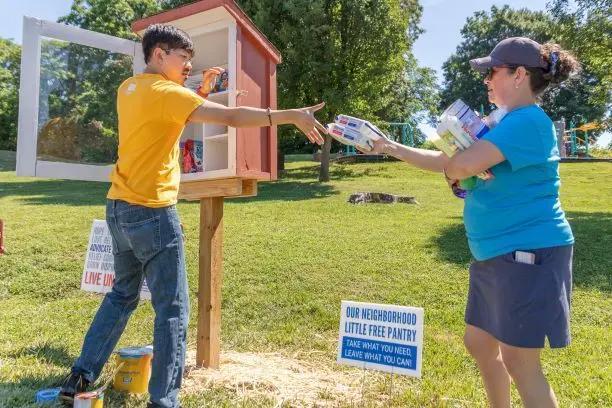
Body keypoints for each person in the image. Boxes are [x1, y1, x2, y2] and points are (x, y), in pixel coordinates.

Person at [59, 24, 327, 408]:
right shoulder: (168, 93)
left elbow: (170, 121)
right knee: (172, 308)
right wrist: (288, 115)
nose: (188, 66)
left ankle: (80, 374)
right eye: (183, 58)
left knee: (122, 295)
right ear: (159, 54)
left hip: (118, 208)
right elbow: (231, 117)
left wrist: (199, 91)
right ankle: (164, 401)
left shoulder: (129, 89)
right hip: (152, 212)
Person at [364, 37, 579, 408]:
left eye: (492, 71)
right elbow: (452, 162)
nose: (486, 80)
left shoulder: (528, 121)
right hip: (497, 252)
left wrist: (460, 167)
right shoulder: (502, 122)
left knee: (519, 361)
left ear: (519, 75)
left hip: (527, 250)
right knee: (479, 343)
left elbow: (460, 165)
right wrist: (390, 147)